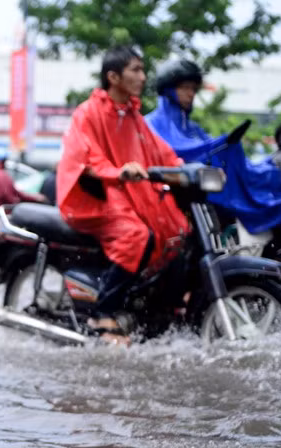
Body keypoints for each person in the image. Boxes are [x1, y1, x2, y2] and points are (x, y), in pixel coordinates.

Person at [56, 45, 188, 336]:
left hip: (128, 194)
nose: (143, 77)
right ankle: (102, 312)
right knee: (136, 235)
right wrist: (117, 172)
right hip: (96, 197)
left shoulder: (132, 115)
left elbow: (158, 151)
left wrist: (184, 168)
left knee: (177, 228)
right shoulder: (88, 112)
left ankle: (158, 304)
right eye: (136, 70)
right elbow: (87, 155)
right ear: (113, 77)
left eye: (142, 70)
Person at [145, 59, 281, 234]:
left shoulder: (192, 127)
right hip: (168, 201)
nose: (191, 94)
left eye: (194, 89)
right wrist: (219, 145)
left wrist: (227, 145)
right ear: (169, 88)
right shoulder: (150, 123)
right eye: (185, 88)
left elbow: (206, 149)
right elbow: (185, 153)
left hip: (201, 199)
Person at [0, 149, 45, 217]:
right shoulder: (1, 175)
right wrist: (34, 198)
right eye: (4, 161)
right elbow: (11, 195)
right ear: (1, 162)